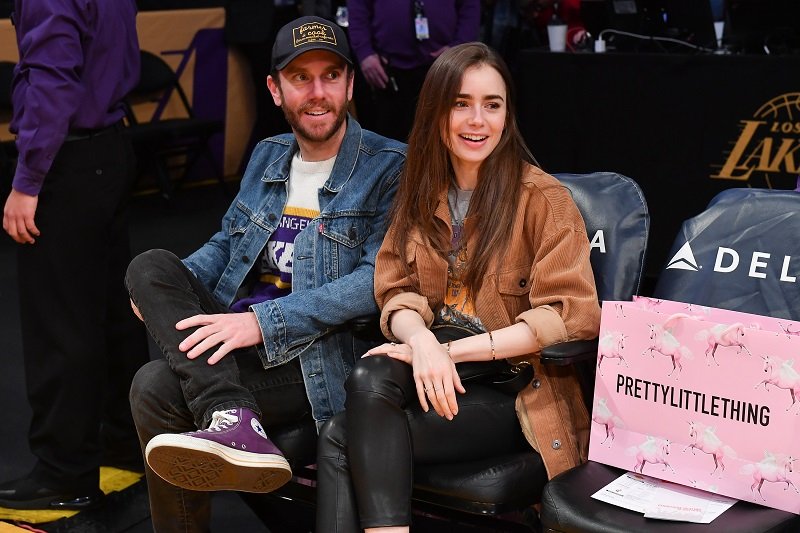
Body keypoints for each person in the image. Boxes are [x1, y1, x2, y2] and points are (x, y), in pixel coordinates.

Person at [125, 16, 405, 532]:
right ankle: (232, 414)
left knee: (152, 385)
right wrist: (167, 287)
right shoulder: (268, 154)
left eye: (330, 76)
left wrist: (261, 323)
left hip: (314, 356)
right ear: (275, 90)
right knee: (149, 266)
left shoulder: (390, 167)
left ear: (349, 83)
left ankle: (229, 414)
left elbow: (374, 282)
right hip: (233, 342)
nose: (317, 93)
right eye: (301, 78)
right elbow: (224, 245)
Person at [316, 42, 601, 531]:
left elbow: (568, 315)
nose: (477, 120)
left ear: (507, 114)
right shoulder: (419, 191)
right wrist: (423, 342)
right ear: (436, 111)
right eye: (461, 103)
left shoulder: (544, 199)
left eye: (492, 105)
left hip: (512, 385)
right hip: (439, 370)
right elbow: (395, 289)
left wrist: (453, 353)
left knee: (342, 437)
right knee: (367, 378)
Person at [0, 0, 150, 510]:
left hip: (68, 159)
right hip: (110, 148)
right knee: (112, 313)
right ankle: (126, 444)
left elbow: (53, 80)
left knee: (59, 322)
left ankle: (65, 470)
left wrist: (27, 180)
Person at [346, 0, 481, 142]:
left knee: (439, 140)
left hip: (443, 68)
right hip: (386, 72)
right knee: (387, 142)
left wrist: (459, 48)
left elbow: (470, 7)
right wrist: (365, 53)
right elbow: (357, 7)